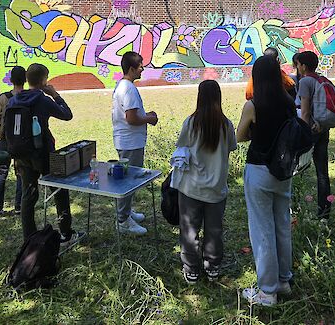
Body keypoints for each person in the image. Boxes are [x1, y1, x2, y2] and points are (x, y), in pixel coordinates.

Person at [236, 55, 295, 306]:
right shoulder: (289, 103)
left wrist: (253, 131)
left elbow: (239, 136)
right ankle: (284, 281)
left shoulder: (253, 105)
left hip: (259, 170)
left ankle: (267, 292)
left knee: (262, 230)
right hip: (283, 171)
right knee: (282, 225)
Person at [8, 64, 81, 247]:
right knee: (59, 189)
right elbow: (67, 115)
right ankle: (65, 233)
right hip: (44, 154)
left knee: (28, 195)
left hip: (22, 154)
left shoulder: (14, 100)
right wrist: (55, 95)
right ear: (43, 81)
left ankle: (29, 239)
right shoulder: (42, 99)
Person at [172, 80, 237, 284]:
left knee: (189, 230)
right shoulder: (226, 125)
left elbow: (181, 148)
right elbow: (231, 148)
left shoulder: (190, 123)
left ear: (199, 97)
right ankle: (213, 267)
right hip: (217, 188)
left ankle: (191, 269)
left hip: (191, 188)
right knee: (214, 230)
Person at [112, 52, 158, 235]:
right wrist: (150, 118)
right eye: (140, 66)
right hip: (130, 142)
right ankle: (123, 220)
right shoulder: (128, 89)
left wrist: (146, 116)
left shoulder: (123, 86)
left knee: (128, 179)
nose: (142, 69)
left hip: (127, 141)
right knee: (128, 181)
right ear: (131, 69)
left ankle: (127, 212)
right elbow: (131, 118)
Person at [294, 51, 333, 219]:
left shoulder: (305, 81)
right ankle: (324, 213)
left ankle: (295, 209)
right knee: (322, 173)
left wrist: (301, 134)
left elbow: (304, 112)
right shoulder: (322, 79)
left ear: (303, 66)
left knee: (297, 169)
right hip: (323, 129)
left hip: (309, 131)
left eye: (298, 64)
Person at [0, 66, 25, 218]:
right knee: (21, 175)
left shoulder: (3, 97)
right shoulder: (28, 97)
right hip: (22, 141)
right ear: (25, 80)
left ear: (11, 80)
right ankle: (19, 207)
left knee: (1, 174)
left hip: (4, 140)